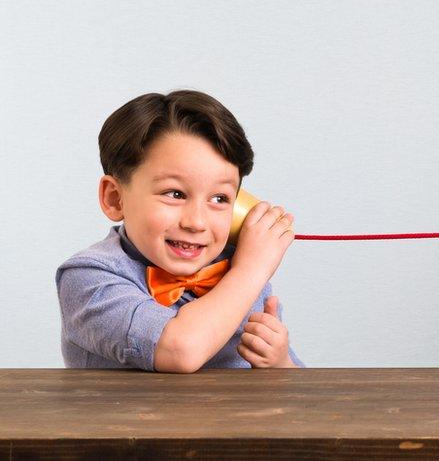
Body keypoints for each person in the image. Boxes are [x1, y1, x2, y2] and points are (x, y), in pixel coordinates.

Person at [56, 90, 302, 372]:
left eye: (220, 199)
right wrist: (251, 270)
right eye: (174, 194)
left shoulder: (240, 268)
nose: (196, 222)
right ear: (115, 198)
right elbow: (180, 350)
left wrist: (281, 364)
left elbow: (296, 395)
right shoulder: (88, 277)